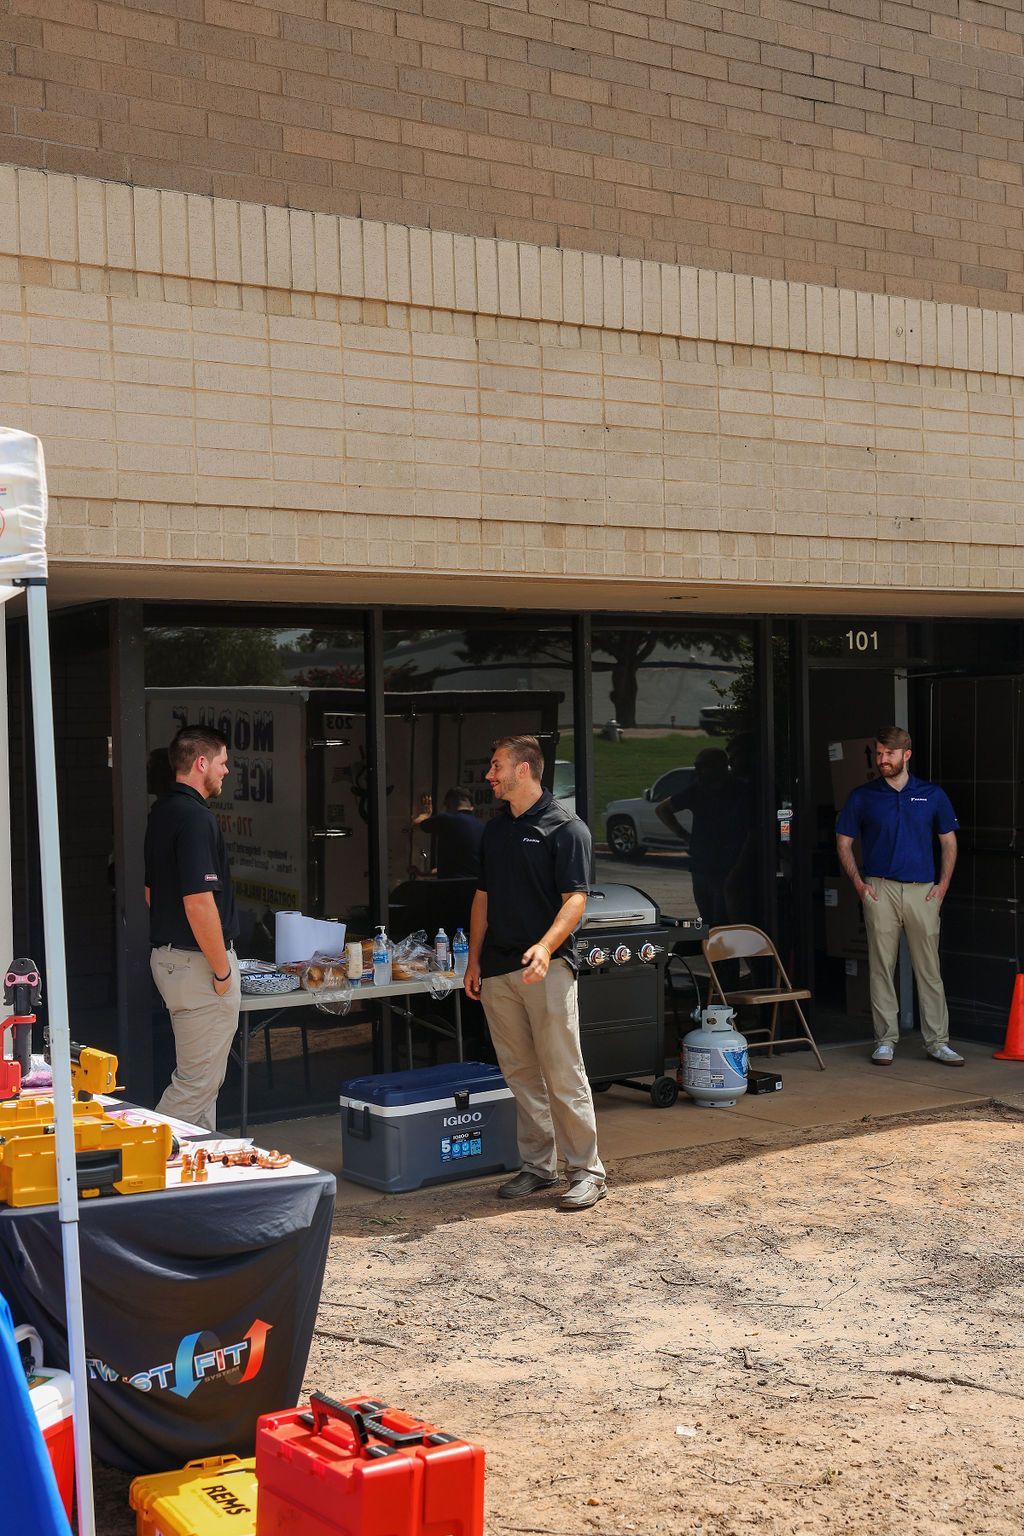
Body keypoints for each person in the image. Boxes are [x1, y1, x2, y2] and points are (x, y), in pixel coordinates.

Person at [464, 735, 605, 1212]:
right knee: (521, 1074)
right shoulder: (496, 829)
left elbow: (576, 901)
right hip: (499, 970)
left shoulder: (567, 828)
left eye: (496, 765)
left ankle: (586, 1171)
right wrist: (473, 959)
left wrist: (546, 948)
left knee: (563, 1071)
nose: (490, 774)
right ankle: (539, 1167)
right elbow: (482, 896)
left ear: (523, 770)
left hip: (548, 969)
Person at [836, 725, 963, 1067]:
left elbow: (948, 841)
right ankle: (885, 1040)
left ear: (906, 754)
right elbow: (844, 842)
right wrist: (860, 885)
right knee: (881, 967)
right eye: (878, 753)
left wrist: (942, 886)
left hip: (923, 890)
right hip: (880, 888)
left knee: (929, 969)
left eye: (889, 754)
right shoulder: (863, 796)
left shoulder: (931, 794)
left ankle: (937, 1042)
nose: (882, 760)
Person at [145, 725, 241, 1129]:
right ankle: (143, 1163)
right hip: (199, 965)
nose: (226, 771)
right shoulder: (195, 818)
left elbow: (152, 894)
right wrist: (222, 970)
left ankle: (195, 1178)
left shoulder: (162, 812)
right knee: (196, 1084)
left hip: (171, 961)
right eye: (222, 762)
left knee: (204, 1081)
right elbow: (199, 903)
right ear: (201, 763)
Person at [655, 747, 751, 929]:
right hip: (702, 866)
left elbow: (662, 809)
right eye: (697, 766)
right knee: (708, 921)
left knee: (723, 923)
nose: (698, 771)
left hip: (728, 868)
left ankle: (724, 955)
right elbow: (662, 809)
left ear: (721, 766)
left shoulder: (740, 791)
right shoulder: (698, 791)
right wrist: (684, 835)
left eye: (702, 766)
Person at [412, 786, 484, 878]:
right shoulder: (482, 827)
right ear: (472, 807)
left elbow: (416, 826)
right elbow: (463, 868)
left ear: (447, 804)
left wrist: (424, 815)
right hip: (474, 887)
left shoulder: (446, 819)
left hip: (451, 889)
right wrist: (425, 874)